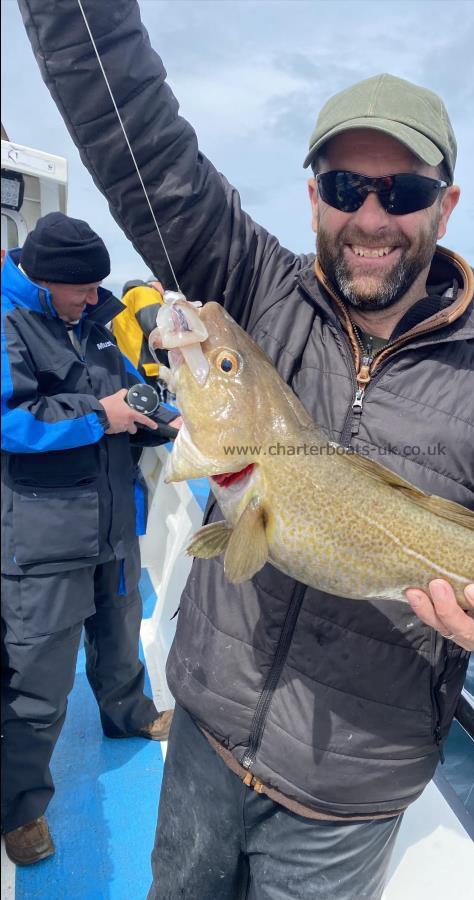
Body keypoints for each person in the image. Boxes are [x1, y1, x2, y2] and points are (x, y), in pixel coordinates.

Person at [20, 3, 474, 896]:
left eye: (401, 192)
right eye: (343, 186)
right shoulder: (254, 286)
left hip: (347, 802)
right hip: (203, 741)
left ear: (445, 204)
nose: (372, 216)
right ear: (313, 194)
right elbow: (134, 128)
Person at [1, 212, 179, 866]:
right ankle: (19, 810)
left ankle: (127, 713)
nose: (92, 297)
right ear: (43, 280)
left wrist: (163, 419)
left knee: (119, 631)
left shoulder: (97, 323)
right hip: (44, 534)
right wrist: (96, 418)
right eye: (81, 288)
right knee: (37, 680)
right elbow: (10, 422)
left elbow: (128, 388)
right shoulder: (8, 323)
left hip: (112, 521)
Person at [112, 278, 167, 393]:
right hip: (146, 373)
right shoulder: (145, 293)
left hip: (127, 371)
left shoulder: (124, 301)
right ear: (158, 282)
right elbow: (159, 333)